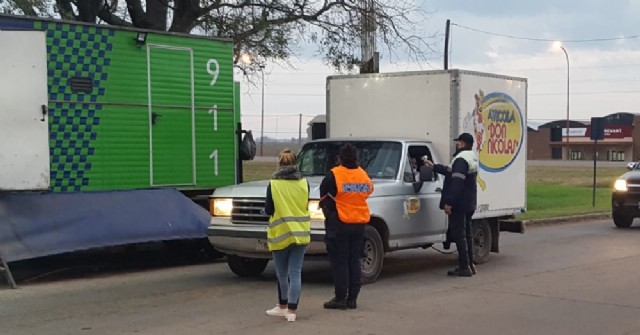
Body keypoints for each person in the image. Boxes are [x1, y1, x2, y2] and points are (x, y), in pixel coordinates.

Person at [319, 143, 374, 309]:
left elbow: (324, 197)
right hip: (359, 223)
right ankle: (353, 299)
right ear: (356, 158)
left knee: (340, 262)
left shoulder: (334, 174)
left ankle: (340, 298)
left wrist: (329, 214)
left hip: (340, 222)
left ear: (339, 158)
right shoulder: (363, 174)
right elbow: (369, 190)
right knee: (354, 260)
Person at [263, 148, 311, 322]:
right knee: (295, 272)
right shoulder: (304, 183)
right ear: (296, 164)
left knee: (282, 273)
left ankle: (282, 306)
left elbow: (269, 209)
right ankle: (292, 312)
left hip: (281, 233)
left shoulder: (273, 184)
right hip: (301, 233)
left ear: (279, 163)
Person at [424, 133, 478, 277]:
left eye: (458, 142)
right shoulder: (470, 156)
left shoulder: (461, 160)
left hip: (459, 203)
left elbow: (456, 182)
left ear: (463, 143)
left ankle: (464, 267)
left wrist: (449, 202)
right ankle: (470, 264)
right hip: (469, 201)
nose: (457, 144)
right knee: (467, 233)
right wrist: (434, 167)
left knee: (459, 235)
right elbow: (450, 171)